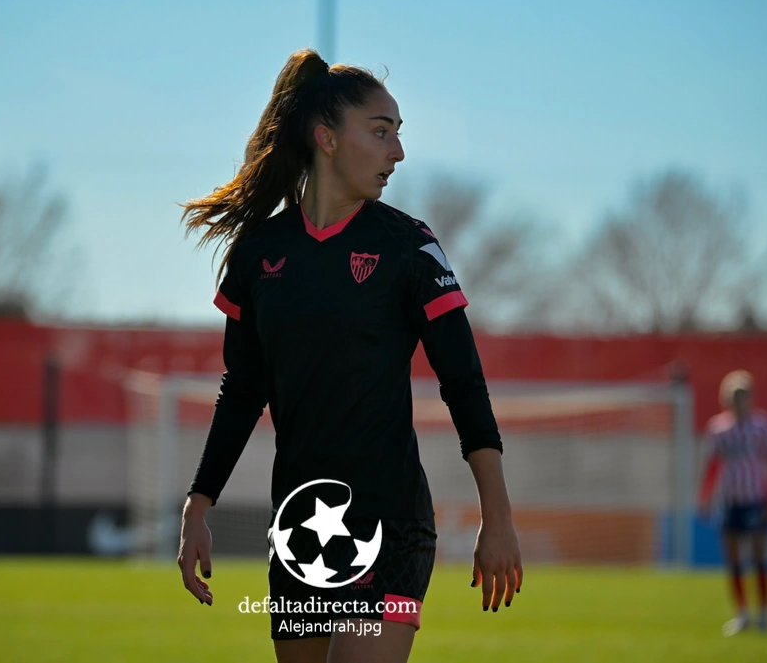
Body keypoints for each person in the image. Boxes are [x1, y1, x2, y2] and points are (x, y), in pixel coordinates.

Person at [176, 48, 522, 663]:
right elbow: (242, 390)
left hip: (390, 522)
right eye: (381, 132)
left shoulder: (409, 247)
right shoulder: (259, 253)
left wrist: (496, 517)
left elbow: (465, 383)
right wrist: (197, 505)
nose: (398, 152)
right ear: (327, 138)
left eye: (398, 134)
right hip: (300, 526)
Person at [698, 370, 767, 635]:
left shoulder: (762, 426)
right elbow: (712, 465)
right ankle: (743, 613)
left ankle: (765, 612)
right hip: (730, 501)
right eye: (733, 397)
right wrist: (705, 497)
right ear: (725, 399)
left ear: (750, 398)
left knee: (758, 557)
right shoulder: (718, 428)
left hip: (755, 499)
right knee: (733, 560)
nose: (737, 402)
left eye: (742, 396)